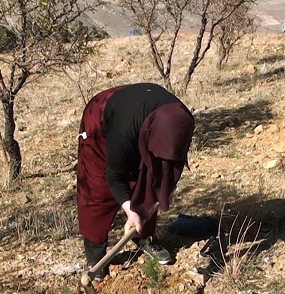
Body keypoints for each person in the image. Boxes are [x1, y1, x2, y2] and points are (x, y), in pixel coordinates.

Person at [76, 83, 195, 281]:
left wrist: (166, 186)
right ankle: (95, 256)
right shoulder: (124, 129)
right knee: (97, 189)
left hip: (141, 115)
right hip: (102, 120)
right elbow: (113, 178)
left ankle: (144, 237)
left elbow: (171, 162)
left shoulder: (183, 121)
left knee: (149, 177)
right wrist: (130, 210)